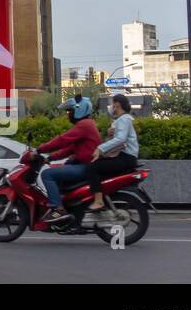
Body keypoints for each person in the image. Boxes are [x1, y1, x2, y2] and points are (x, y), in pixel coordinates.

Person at [36, 95, 100, 222]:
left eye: (70, 111)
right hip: (84, 165)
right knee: (60, 169)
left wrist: (40, 149)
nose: (68, 115)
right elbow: (69, 149)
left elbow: (62, 140)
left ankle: (58, 209)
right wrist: (50, 158)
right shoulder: (87, 124)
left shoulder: (84, 125)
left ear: (79, 110)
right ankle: (68, 206)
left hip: (85, 167)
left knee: (47, 174)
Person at [85, 93, 140, 221]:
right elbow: (117, 140)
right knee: (96, 164)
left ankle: (98, 201)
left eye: (113, 105)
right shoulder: (121, 120)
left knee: (93, 167)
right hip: (123, 156)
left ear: (117, 105)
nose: (111, 108)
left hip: (126, 158)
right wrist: (109, 136)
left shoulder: (125, 119)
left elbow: (121, 140)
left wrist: (100, 148)